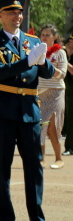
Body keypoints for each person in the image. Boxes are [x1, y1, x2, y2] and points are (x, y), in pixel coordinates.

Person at [0, 0, 54, 221]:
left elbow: (48, 73)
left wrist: (43, 62)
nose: (17, 15)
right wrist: (27, 62)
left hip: (29, 111)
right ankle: (6, 219)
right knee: (2, 167)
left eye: (20, 11)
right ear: (0, 16)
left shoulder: (32, 42)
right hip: (3, 111)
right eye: (11, 11)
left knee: (34, 166)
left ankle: (37, 217)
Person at [37, 24, 67, 169]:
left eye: (48, 35)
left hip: (55, 92)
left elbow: (62, 74)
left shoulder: (60, 53)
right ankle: (41, 158)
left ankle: (58, 158)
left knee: (53, 127)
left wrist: (48, 67)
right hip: (39, 93)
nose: (44, 37)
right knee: (41, 125)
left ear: (55, 37)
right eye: (43, 34)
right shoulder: (37, 52)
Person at [64, 36, 73, 156]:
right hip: (66, 92)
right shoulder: (64, 54)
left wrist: (64, 62)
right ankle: (69, 147)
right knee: (69, 121)